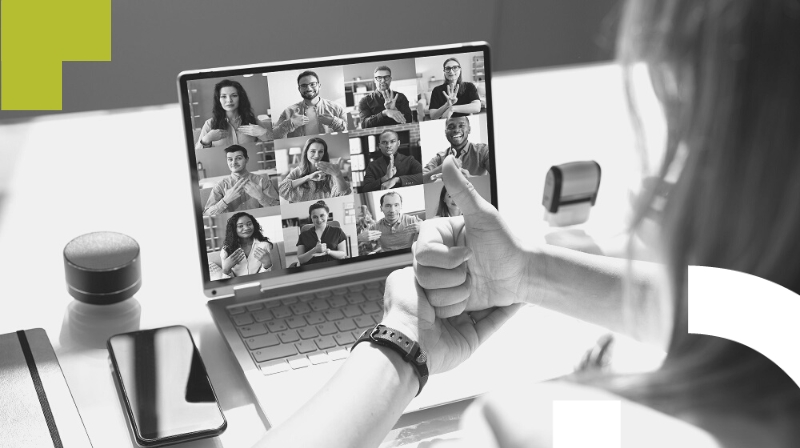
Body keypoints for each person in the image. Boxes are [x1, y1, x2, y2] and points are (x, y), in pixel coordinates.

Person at [255, 0, 800, 446]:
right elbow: (766, 316)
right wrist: (527, 273)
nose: (653, 183)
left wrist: (402, 338)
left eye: (688, 129)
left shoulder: (537, 429)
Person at [203, 145, 280, 216]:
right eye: (230, 159)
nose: (234, 163)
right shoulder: (220, 186)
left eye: (239, 158)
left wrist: (262, 197)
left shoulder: (262, 181)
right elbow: (206, 214)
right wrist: (225, 200)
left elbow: (278, 208)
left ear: (246, 160)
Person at [195, 79, 272, 150]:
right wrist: (206, 139)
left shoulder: (252, 121)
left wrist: (263, 133)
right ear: (219, 100)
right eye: (224, 96)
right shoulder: (209, 124)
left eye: (234, 95)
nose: (229, 100)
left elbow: (274, 148)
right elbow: (196, 155)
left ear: (240, 98)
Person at [273, 71, 347, 138]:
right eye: (304, 85)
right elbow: (274, 136)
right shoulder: (288, 112)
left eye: (312, 84)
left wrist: (334, 122)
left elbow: (347, 133)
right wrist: (290, 124)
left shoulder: (337, 108)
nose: (308, 88)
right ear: (299, 89)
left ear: (319, 86)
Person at [278, 137, 351, 203]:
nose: (317, 155)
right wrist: (308, 177)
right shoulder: (297, 171)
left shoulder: (330, 171)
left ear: (324, 153)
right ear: (306, 152)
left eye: (320, 151)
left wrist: (338, 175)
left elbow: (344, 193)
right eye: (313, 151)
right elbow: (281, 189)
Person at [423, 116, 490, 183]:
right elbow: (420, 180)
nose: (456, 130)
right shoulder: (439, 158)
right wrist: (444, 167)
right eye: (451, 127)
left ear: (469, 129)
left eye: (461, 126)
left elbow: (498, 176)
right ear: (445, 132)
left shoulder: (483, 151)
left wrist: (469, 178)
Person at [218, 212, 273, 278]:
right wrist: (226, 270)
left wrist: (267, 265)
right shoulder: (226, 250)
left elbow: (267, 277)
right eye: (240, 226)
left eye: (249, 224)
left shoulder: (265, 246)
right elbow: (226, 284)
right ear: (234, 229)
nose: (246, 228)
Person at [296, 201, 348, 265]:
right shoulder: (303, 235)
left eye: (322, 215)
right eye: (315, 217)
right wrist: (314, 250)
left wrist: (328, 251)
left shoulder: (337, 231)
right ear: (311, 218)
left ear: (328, 215)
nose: (319, 220)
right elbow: (301, 260)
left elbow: (343, 254)